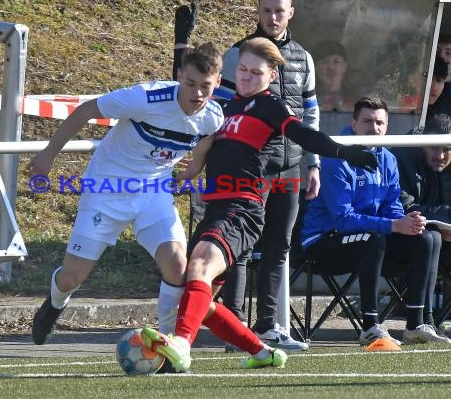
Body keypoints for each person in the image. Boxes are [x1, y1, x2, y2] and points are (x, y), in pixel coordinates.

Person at [140, 37, 378, 372]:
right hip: (215, 209)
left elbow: (304, 134)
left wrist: (341, 151)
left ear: (271, 76)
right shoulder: (225, 107)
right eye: (243, 70)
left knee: (198, 268)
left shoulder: (270, 107)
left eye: (256, 72)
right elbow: (196, 135)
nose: (247, 77)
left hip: (243, 208)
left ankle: (179, 346)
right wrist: (185, 172)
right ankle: (262, 352)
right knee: (200, 300)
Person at [27, 42, 225, 346]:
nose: (197, 94)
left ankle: (171, 344)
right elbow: (87, 110)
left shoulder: (213, 115)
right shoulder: (145, 98)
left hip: (154, 192)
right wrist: (48, 154)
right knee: (72, 277)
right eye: (190, 84)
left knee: (176, 265)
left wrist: (196, 163)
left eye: (206, 87)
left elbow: (207, 136)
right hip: (107, 189)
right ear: (179, 74)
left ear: (218, 83)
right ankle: (53, 305)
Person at [215, 0, 320, 352]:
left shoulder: (304, 57)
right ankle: (232, 327)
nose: (272, 17)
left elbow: (310, 113)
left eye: (279, 10)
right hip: (248, 169)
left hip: (290, 167)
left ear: (291, 12)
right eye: (266, 10)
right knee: (240, 248)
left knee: (279, 247)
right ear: (257, 11)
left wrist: (313, 162)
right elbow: (218, 109)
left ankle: (268, 327)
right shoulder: (237, 54)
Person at [300, 95, 451, 346]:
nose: (374, 128)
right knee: (374, 237)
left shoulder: (387, 158)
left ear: (387, 126)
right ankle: (370, 326)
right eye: (367, 121)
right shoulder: (336, 155)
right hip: (326, 241)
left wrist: (406, 221)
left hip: (370, 237)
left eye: (380, 123)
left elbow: (391, 206)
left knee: (427, 237)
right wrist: (394, 225)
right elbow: (343, 219)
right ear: (354, 123)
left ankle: (416, 324)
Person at [392, 113, 451, 332]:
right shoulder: (403, 157)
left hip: (437, 239)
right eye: (434, 148)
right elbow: (405, 208)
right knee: (430, 237)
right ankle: (423, 320)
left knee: (432, 237)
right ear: (422, 143)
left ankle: (427, 320)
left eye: (446, 149)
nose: (441, 156)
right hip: (399, 239)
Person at [313, 39, 353, 112]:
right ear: (315, 67)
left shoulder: (356, 97)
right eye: (325, 62)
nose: (331, 67)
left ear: (345, 66)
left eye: (336, 61)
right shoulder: (305, 98)